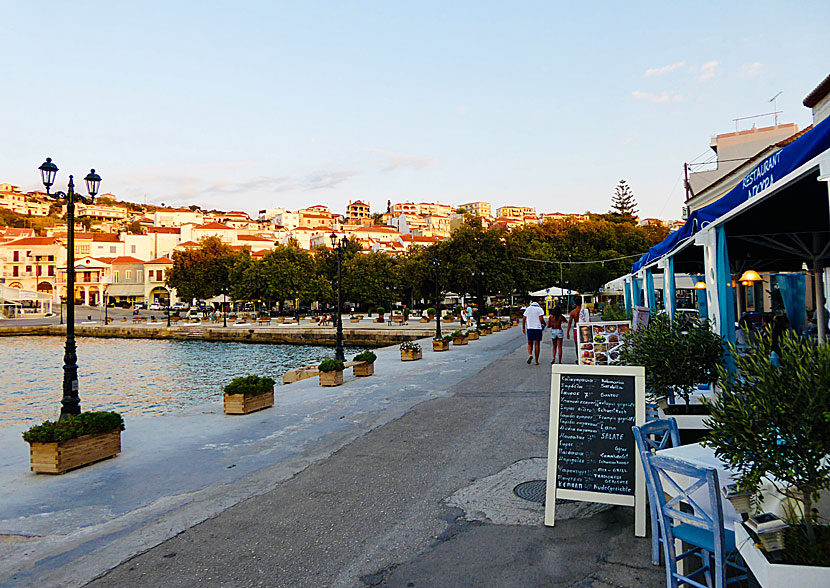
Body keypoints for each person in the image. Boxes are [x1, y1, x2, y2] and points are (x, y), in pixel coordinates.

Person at [522, 301, 546, 365]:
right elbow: (541, 319)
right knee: (537, 344)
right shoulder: (540, 309)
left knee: (530, 343)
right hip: (537, 328)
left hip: (530, 328)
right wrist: (544, 323)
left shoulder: (528, 309)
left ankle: (530, 354)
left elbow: (524, 319)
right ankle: (536, 361)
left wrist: (523, 328)